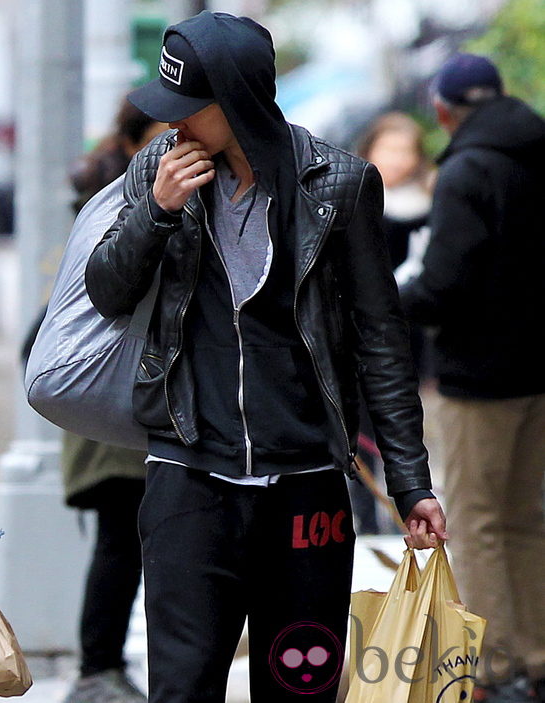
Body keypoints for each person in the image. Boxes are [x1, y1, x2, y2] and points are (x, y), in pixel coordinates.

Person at [85, 13, 446, 702]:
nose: (176, 126)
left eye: (190, 109)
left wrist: (409, 481)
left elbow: (380, 339)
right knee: (182, 687)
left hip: (306, 486)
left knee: (298, 686)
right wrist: (156, 211)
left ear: (238, 101)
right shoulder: (157, 171)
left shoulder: (337, 184)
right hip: (187, 478)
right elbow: (106, 291)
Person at [399, 54, 545, 703]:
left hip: (476, 376)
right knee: (524, 517)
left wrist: (392, 301)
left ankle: (492, 664)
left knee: (478, 520)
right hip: (536, 371)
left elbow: (443, 282)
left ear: (442, 111)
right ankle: (537, 654)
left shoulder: (464, 170)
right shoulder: (536, 152)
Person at [60, 99, 164, 703]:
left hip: (136, 411)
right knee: (121, 542)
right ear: (132, 144)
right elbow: (46, 336)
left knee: (129, 543)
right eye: (163, 135)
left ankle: (104, 666)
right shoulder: (109, 209)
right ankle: (98, 666)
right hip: (113, 416)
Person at [350, 112, 435, 534]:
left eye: (407, 151)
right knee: (365, 419)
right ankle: (367, 510)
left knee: (402, 417)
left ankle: (400, 500)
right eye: (390, 149)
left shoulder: (428, 203)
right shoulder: (355, 196)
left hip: (411, 334)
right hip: (363, 333)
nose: (399, 159)